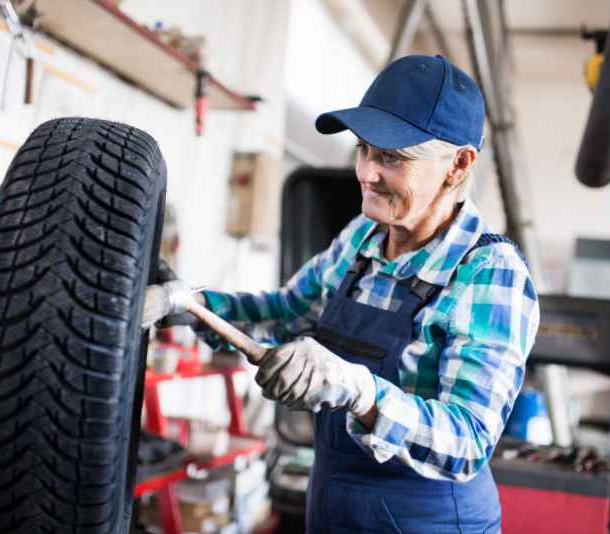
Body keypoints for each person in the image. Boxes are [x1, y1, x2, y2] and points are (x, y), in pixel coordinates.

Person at [160, 54, 540, 533]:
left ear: (458, 165)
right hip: (334, 510)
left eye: (393, 157)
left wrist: (360, 390)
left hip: (429, 522)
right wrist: (188, 305)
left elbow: (467, 440)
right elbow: (282, 314)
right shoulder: (362, 237)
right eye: (364, 148)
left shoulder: (487, 274)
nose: (366, 172)